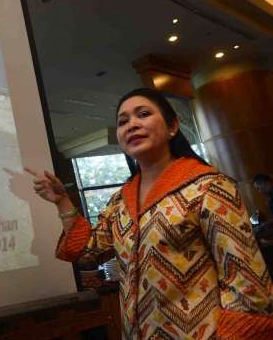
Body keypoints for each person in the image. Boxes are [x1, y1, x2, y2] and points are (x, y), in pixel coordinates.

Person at [26, 88, 273, 339]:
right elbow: (87, 250)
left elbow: (247, 280)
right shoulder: (121, 200)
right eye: (123, 121)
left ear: (172, 126)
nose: (131, 124)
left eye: (143, 114)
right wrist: (62, 201)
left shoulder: (207, 186)